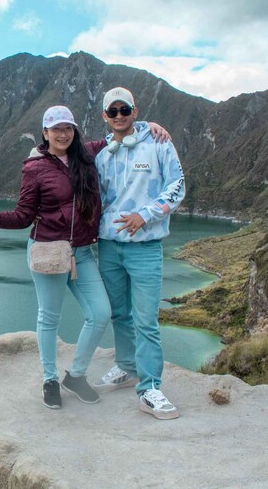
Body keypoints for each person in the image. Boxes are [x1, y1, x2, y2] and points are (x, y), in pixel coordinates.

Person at [0, 105, 171, 410]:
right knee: (50, 317)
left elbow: (118, 133)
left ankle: (76, 375)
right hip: (48, 250)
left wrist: (148, 125)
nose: (63, 134)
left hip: (82, 252)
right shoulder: (34, 168)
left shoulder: (86, 154)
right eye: (56, 129)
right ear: (45, 133)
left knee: (100, 313)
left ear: (74, 131)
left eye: (68, 128)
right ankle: (49, 379)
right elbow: (22, 217)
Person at [92, 87, 186, 420]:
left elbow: (177, 185)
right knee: (120, 313)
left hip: (145, 247)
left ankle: (149, 388)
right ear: (105, 116)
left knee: (146, 320)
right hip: (109, 245)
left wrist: (144, 215)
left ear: (135, 110)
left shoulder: (158, 142)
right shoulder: (102, 154)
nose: (119, 115)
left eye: (125, 109)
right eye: (112, 111)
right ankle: (126, 366)